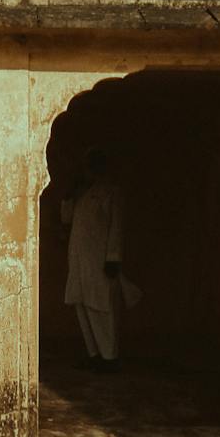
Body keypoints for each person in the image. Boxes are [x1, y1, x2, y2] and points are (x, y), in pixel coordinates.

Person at [61, 148, 135, 370]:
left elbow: (116, 228)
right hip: (79, 259)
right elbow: (66, 219)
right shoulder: (84, 194)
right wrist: (69, 194)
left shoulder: (111, 193)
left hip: (99, 259)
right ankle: (94, 354)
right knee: (81, 303)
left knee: (102, 306)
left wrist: (114, 257)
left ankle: (109, 357)